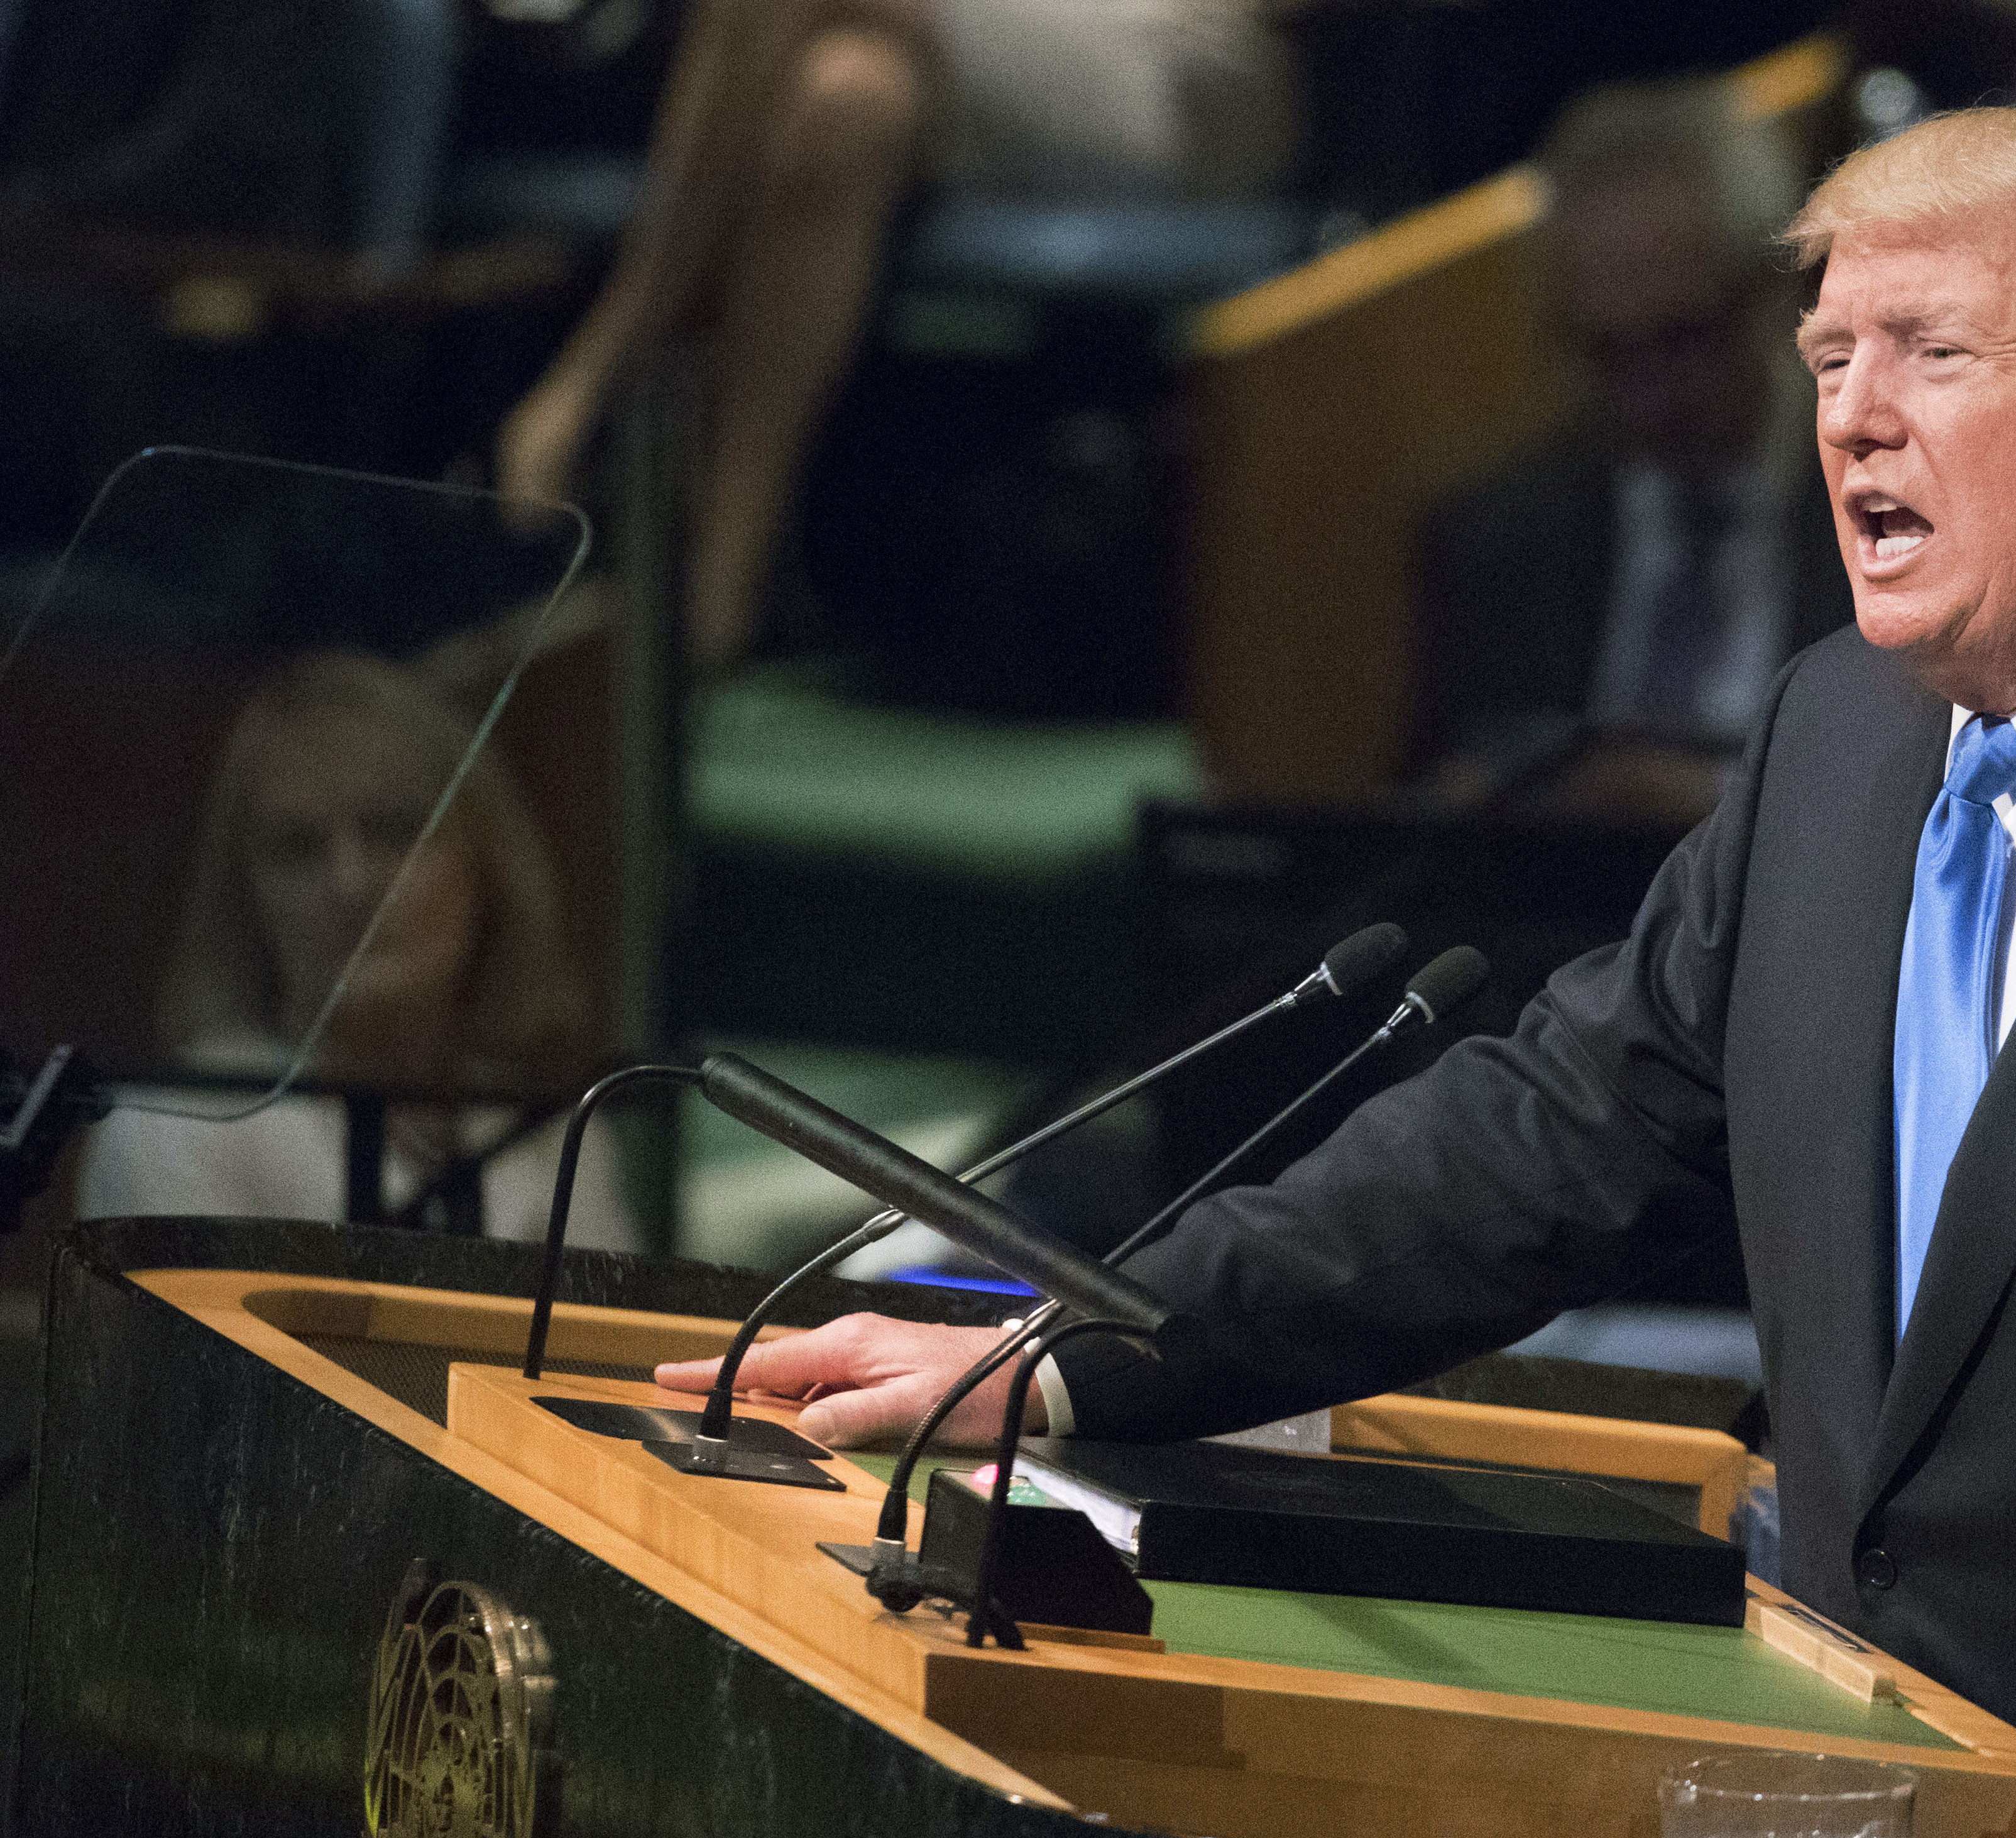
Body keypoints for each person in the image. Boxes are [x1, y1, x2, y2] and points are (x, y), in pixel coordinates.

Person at [659, 108, 2016, 1838]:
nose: (1851, 417)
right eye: (1828, 355)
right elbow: (1537, 1146)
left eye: (1932, 351)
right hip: (1869, 1793)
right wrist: (1068, 1354)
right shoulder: (1840, 739)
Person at [492, 0, 1294, 672]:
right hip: (998, 41)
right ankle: (719, 599)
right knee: (846, 102)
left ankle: (591, 378)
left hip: (1193, 71)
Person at [79, 651, 634, 1245]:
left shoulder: (558, 1131)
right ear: (246, 901)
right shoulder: (175, 1123)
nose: (351, 885)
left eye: (393, 832)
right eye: (297, 848)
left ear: (486, 863)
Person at [1408, 79, 1848, 824]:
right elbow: (1423, 803)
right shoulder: (1495, 539)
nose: (1650, 400)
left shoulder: (1898, 510)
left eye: (1682, 341)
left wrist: (1715, 813)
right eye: (1608, 355)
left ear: (1781, 295)